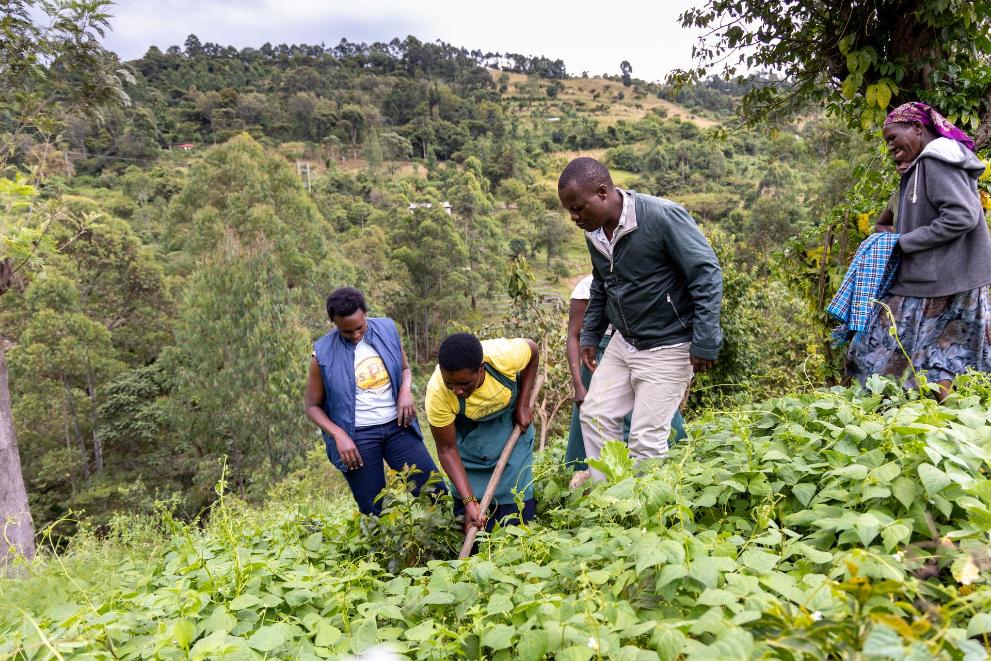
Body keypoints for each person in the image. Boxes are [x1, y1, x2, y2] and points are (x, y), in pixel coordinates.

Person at [558, 157, 723, 481]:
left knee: (646, 440)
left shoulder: (660, 217)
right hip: (625, 340)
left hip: (669, 343)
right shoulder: (595, 232)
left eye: (579, 208)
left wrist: (705, 339)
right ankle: (612, 495)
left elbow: (707, 273)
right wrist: (590, 334)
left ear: (603, 192)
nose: (575, 218)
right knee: (594, 414)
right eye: (570, 211)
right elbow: (602, 282)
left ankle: (648, 515)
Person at [846, 102, 991, 399]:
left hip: (942, 282)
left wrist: (904, 242)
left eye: (892, 137)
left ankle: (901, 419)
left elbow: (962, 215)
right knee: (940, 363)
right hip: (938, 279)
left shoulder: (935, 161)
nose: (889, 147)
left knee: (879, 351)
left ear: (916, 128)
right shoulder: (920, 166)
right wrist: (891, 235)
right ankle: (936, 424)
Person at [304, 287, 444, 515]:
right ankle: (385, 551)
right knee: (374, 510)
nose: (356, 335)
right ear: (334, 323)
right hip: (357, 438)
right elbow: (311, 406)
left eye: (360, 327)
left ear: (366, 314)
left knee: (435, 491)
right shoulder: (322, 354)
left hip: (399, 427)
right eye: (346, 331)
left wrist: (405, 391)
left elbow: (405, 369)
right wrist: (339, 435)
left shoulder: (387, 329)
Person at [565, 274, 687, 478]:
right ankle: (603, 480)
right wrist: (578, 385)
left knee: (652, 421)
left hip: (639, 352)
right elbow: (573, 336)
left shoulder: (641, 280)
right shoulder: (586, 287)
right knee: (600, 421)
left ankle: (658, 473)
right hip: (598, 357)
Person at [425, 333, 539, 533]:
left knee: (518, 520)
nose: (457, 391)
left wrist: (523, 405)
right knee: (472, 525)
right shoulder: (437, 392)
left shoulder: (503, 356)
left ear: (481, 369)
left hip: (510, 433)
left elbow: (533, 352)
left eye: (464, 384)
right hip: (469, 450)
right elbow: (446, 449)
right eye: (450, 383)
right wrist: (469, 502)